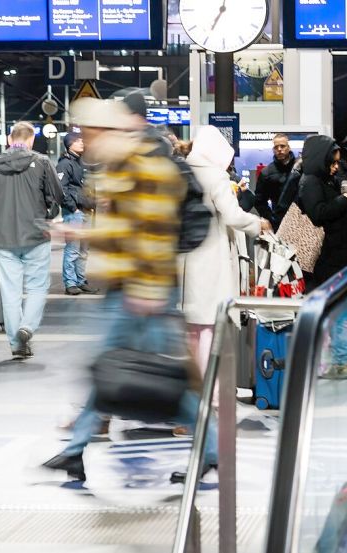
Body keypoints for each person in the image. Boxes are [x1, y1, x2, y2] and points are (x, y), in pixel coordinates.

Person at [42, 98, 219, 483]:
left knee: (168, 381)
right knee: (107, 371)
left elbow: (152, 232)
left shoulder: (143, 166)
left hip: (143, 292)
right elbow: (128, 227)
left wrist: (86, 234)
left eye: (88, 134)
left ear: (108, 132)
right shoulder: (122, 165)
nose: (85, 142)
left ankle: (213, 450)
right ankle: (75, 450)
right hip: (129, 288)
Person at [182, 125, 268, 372]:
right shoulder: (215, 176)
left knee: (194, 328)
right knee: (212, 325)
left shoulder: (183, 170)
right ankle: (215, 392)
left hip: (187, 255)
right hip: (211, 256)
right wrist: (257, 224)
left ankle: (195, 388)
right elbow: (232, 215)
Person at [0, 122, 63, 359]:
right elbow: (57, 195)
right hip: (36, 235)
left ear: (10, 139)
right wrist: (48, 211)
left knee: (10, 292)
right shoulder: (42, 162)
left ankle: (16, 344)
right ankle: (27, 327)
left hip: (4, 237)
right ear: (31, 139)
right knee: (37, 286)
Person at [298, 135, 347, 378]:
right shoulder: (310, 182)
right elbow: (318, 213)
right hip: (331, 255)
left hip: (342, 252)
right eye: (332, 161)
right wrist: (344, 202)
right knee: (344, 306)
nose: (335, 166)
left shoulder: (324, 179)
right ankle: (345, 361)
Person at [57, 131, 97, 296]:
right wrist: (73, 208)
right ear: (69, 144)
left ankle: (81, 280)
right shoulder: (64, 164)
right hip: (74, 212)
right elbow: (61, 189)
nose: (82, 143)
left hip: (87, 211)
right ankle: (70, 283)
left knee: (83, 250)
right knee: (73, 249)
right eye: (78, 140)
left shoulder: (83, 163)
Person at [254, 133, 296, 230]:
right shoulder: (267, 173)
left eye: (282, 146)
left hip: (301, 221)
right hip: (279, 223)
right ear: (273, 150)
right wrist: (271, 219)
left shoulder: (301, 167)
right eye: (276, 147)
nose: (279, 149)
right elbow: (259, 201)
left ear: (288, 147)